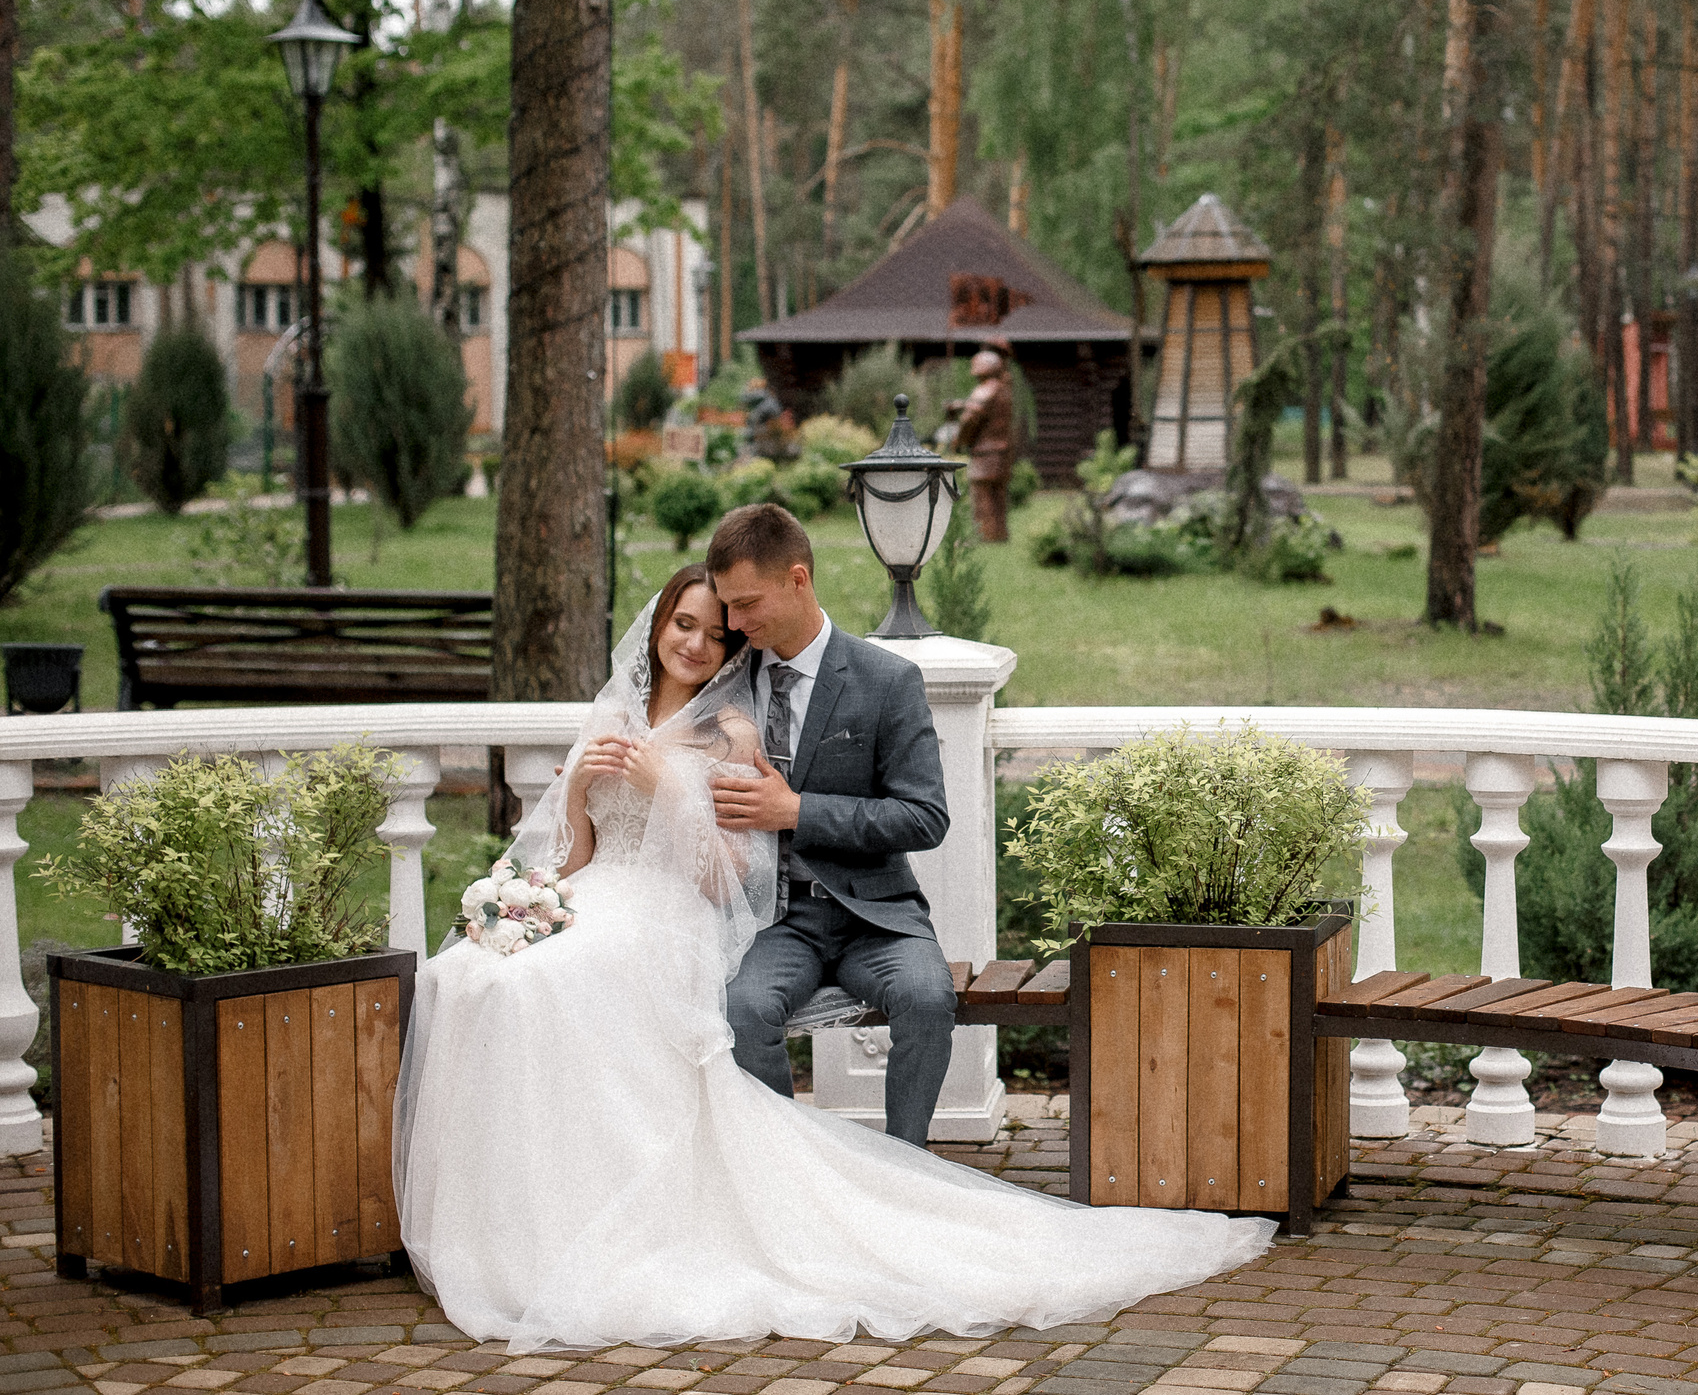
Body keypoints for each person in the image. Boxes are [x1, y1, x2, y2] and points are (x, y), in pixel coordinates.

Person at [394, 556, 1271, 1352]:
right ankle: (530, 1218)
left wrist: (670, 791)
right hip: (600, 895)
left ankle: (864, 1178)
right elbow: (577, 853)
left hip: (679, 910)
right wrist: (577, 805)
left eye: (717, 626)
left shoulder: (730, 733)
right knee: (472, 978)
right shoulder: (612, 715)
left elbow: (725, 880)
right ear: (657, 626)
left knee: (560, 983)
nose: (699, 640)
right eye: (684, 624)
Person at [702, 503, 955, 1143]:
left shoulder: (886, 680)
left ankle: (907, 1164)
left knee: (927, 1001)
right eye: (726, 606)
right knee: (741, 1009)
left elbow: (924, 816)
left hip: (878, 915)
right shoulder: (725, 681)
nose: (733, 623)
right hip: (775, 919)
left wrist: (798, 811)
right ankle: (793, 1167)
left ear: (798, 579)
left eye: (747, 603)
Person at [950, 348, 1015, 543]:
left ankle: (986, 536)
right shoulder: (1003, 389)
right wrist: (963, 404)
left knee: (982, 495)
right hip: (1002, 451)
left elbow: (970, 420)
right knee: (998, 497)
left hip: (985, 452)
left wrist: (958, 442)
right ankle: (999, 535)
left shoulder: (985, 389)